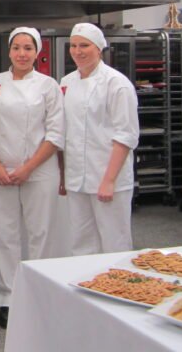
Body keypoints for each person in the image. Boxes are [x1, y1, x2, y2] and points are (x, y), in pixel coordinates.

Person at [0, 27, 64, 330]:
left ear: (37, 52)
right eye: (17, 48)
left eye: (28, 48)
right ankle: (8, 299)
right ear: (9, 51)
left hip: (40, 171)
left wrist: (28, 168)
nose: (22, 54)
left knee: (40, 234)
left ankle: (39, 295)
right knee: (4, 235)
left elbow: (56, 134)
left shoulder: (49, 86)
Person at [60, 22, 139, 256]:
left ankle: (118, 281)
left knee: (115, 243)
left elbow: (126, 135)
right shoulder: (66, 83)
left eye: (84, 45)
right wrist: (64, 176)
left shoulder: (117, 84)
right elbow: (65, 131)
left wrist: (109, 180)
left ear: (99, 48)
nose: (77, 51)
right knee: (80, 243)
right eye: (73, 45)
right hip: (77, 178)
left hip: (108, 175)